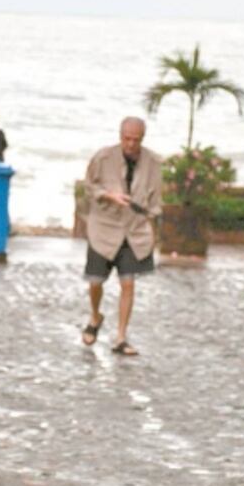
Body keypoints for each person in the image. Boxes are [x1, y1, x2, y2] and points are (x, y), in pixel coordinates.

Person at [81, 117, 162, 356]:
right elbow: (89, 187)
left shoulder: (153, 162)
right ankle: (95, 317)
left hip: (133, 231)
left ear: (142, 138)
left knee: (128, 282)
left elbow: (156, 200)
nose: (131, 144)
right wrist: (108, 195)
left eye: (136, 140)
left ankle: (121, 337)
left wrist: (151, 221)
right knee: (96, 282)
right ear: (120, 135)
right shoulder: (103, 157)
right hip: (103, 228)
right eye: (127, 139)